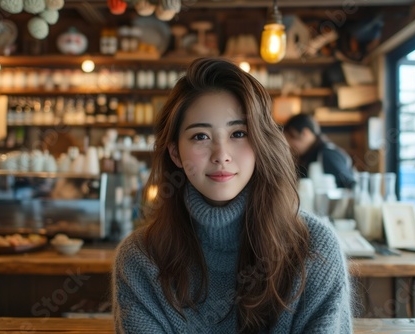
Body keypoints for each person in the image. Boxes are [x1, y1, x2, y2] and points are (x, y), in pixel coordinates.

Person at [112, 58, 352, 333]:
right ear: (176, 153)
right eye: (200, 136)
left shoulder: (314, 249)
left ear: (261, 143)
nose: (221, 156)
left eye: (238, 133)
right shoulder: (140, 259)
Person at [283, 114, 356, 189]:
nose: (289, 144)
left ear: (305, 133)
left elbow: (351, 185)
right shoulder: (308, 156)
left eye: (292, 138)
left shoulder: (327, 154)